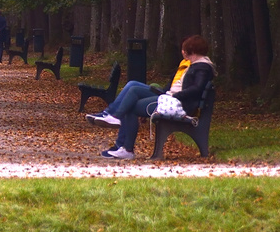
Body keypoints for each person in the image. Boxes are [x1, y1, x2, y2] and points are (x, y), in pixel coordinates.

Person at [87, 35, 215, 159]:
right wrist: (162, 91)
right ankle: (111, 116)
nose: (182, 52)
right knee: (133, 85)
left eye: (184, 50)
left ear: (191, 51)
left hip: (178, 104)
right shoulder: (192, 65)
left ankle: (124, 142)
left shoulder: (202, 67)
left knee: (130, 105)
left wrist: (176, 95)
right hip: (170, 98)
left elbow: (197, 89)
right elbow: (174, 86)